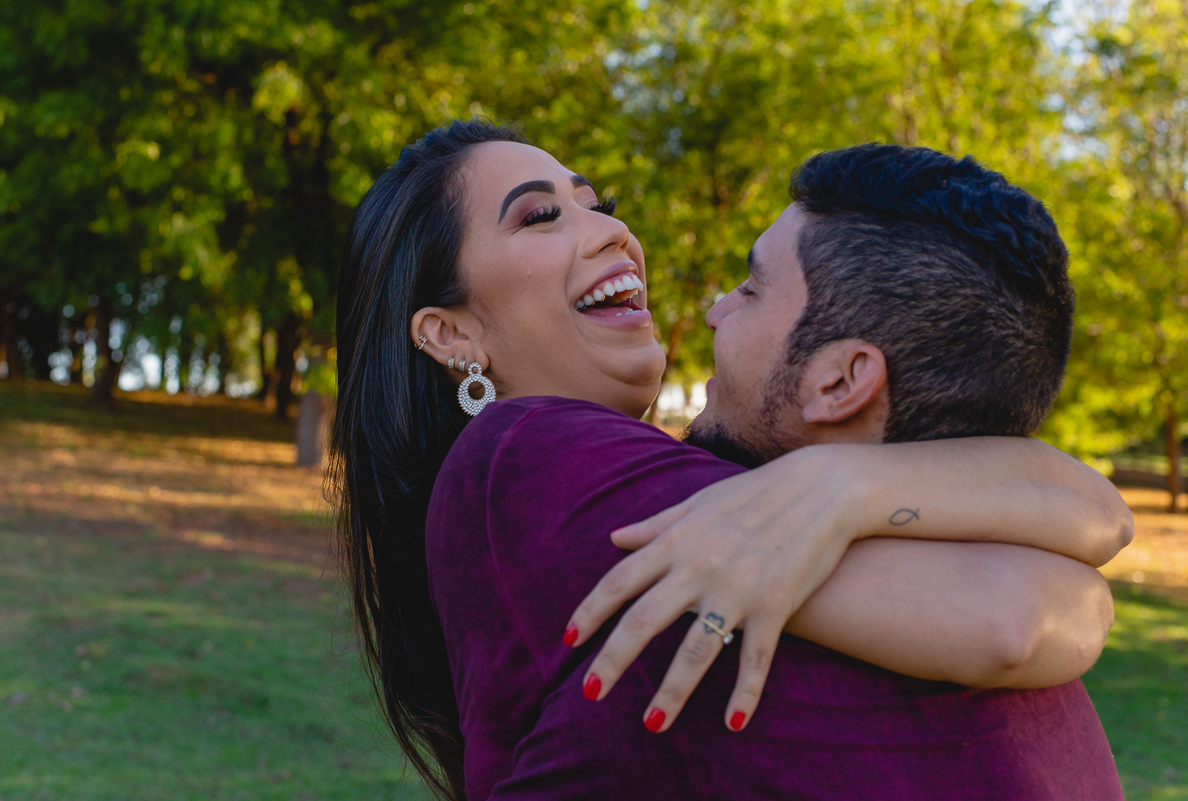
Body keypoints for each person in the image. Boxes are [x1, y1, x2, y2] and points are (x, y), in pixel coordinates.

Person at [329, 120, 1131, 801]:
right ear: (451, 333)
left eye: (595, 204)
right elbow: (1016, 614)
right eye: (539, 216)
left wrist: (846, 487)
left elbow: (1091, 526)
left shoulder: (726, 489)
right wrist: (844, 489)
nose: (614, 231)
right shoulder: (523, 456)